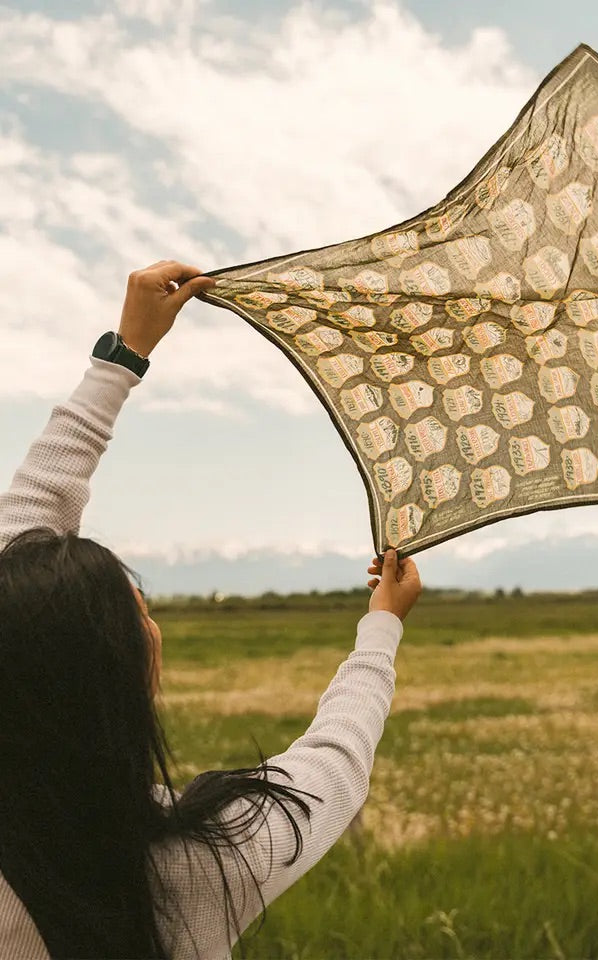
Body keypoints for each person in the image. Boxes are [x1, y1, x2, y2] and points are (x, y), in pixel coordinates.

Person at [0, 261, 422, 960]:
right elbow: (335, 759)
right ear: (127, 686)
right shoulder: (211, 858)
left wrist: (123, 355)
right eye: (139, 619)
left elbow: (21, 557)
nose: (152, 626)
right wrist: (382, 625)